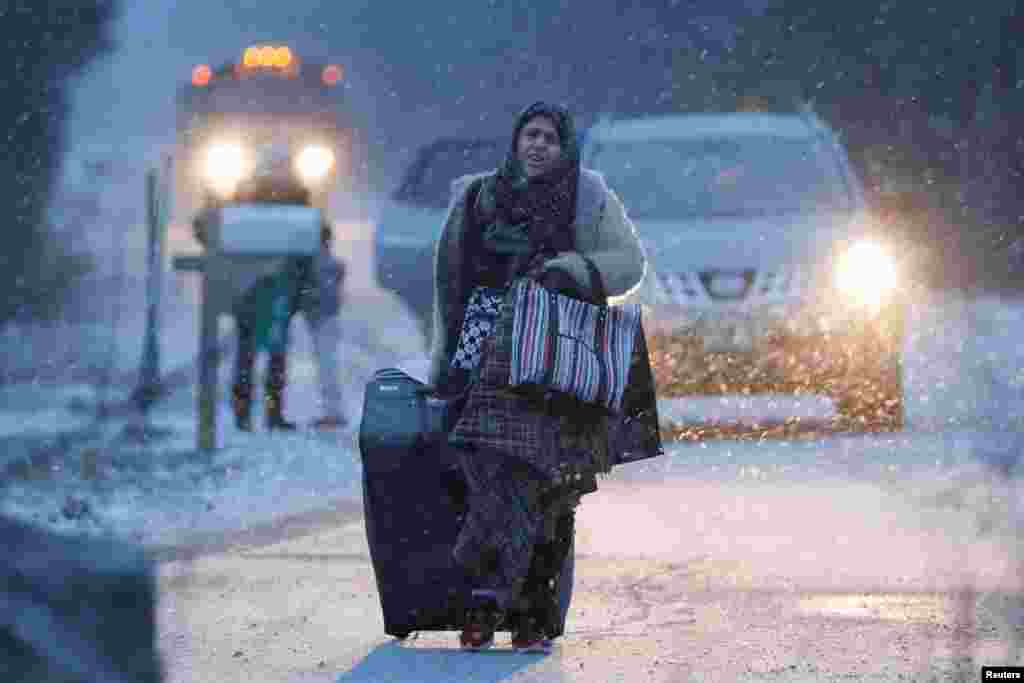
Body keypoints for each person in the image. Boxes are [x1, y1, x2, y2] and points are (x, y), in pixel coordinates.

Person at [428, 101, 662, 652]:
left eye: (549, 139)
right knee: (485, 474)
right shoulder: (478, 196)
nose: (537, 146)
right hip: (483, 357)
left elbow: (629, 262)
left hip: (553, 361)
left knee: (549, 486)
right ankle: (485, 604)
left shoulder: (587, 194)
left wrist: (574, 270)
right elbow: (448, 282)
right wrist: (442, 363)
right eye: (529, 135)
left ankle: (531, 612)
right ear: (514, 141)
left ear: (565, 148)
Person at [193, 179, 321, 432]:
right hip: (275, 292)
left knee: (250, 357)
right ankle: (269, 414)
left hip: (254, 292)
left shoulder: (242, 207)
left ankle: (247, 415)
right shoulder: (293, 206)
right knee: (271, 357)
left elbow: (206, 230)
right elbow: (315, 238)